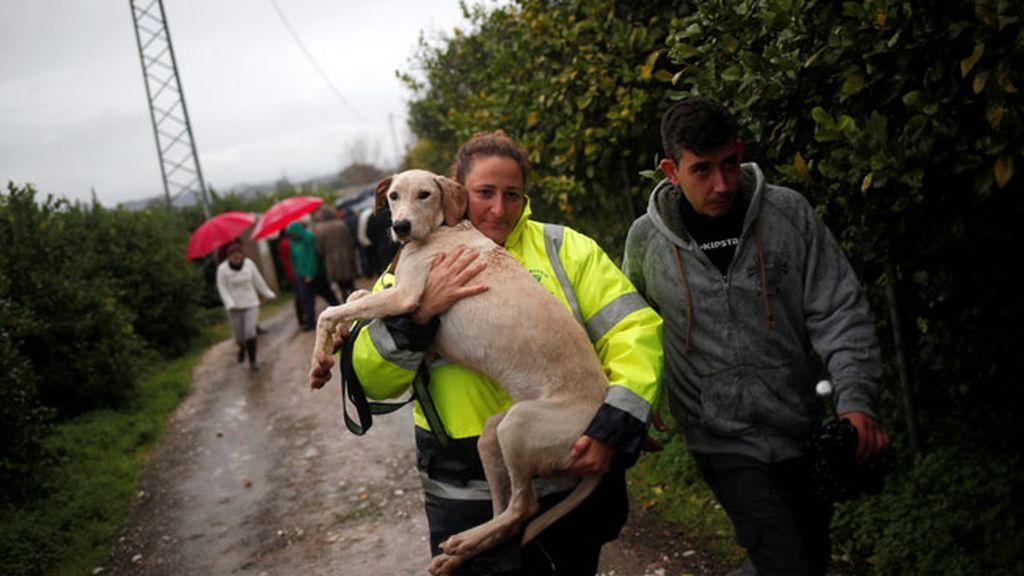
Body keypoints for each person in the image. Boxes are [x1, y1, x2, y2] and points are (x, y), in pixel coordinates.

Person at [342, 131, 663, 575]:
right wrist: (415, 318)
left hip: (574, 473)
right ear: (454, 194)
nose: (498, 208)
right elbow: (370, 381)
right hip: (465, 491)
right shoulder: (406, 269)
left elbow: (634, 331)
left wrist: (621, 418)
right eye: (484, 193)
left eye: (512, 194)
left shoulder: (565, 248)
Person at [622, 96, 891, 576]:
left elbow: (839, 308)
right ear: (670, 170)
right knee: (787, 563)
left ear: (740, 151)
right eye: (701, 170)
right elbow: (632, 332)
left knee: (807, 558)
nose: (721, 184)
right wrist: (634, 407)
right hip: (717, 436)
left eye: (729, 164)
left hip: (798, 424)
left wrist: (856, 399)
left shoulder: (788, 214)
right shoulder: (647, 239)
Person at [216, 240, 276, 371]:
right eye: (233, 256)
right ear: (228, 257)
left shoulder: (249, 265)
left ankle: (253, 361)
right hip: (234, 307)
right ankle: (242, 347)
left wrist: (268, 293)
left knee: (250, 332)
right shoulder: (222, 269)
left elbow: (258, 280)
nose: (237, 258)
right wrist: (229, 303)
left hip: (251, 303)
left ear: (243, 255)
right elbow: (222, 288)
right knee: (240, 335)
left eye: (239, 255)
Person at [312, 205, 359, 301]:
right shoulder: (341, 224)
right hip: (346, 255)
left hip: (331, 259)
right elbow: (350, 240)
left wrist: (323, 255)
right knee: (350, 281)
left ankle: (345, 298)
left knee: (340, 284)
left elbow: (319, 247)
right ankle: (357, 297)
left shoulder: (319, 228)